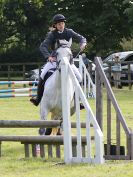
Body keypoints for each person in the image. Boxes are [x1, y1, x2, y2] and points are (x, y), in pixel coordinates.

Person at [30, 14, 87, 106]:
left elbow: (82, 38)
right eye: (59, 24)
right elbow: (43, 46)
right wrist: (48, 56)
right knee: (43, 74)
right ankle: (38, 99)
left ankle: (77, 102)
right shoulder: (52, 35)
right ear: (55, 25)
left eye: (62, 23)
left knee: (79, 78)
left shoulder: (69, 32)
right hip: (55, 61)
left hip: (69, 61)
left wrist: (83, 43)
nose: (61, 25)